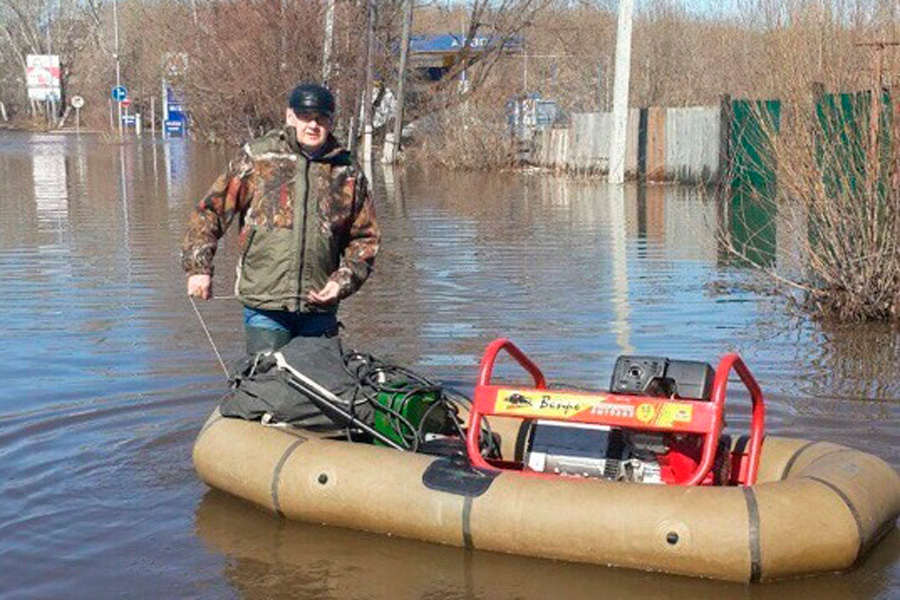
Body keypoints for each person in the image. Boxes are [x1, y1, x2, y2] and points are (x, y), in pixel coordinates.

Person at [182, 83, 380, 354]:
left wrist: (341, 282)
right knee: (266, 385)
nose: (313, 125)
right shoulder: (258, 158)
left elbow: (365, 240)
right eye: (305, 116)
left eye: (321, 118)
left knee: (319, 388)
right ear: (290, 117)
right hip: (266, 305)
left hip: (319, 304)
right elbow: (210, 212)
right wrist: (198, 269)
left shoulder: (347, 171)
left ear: (331, 121)